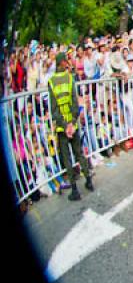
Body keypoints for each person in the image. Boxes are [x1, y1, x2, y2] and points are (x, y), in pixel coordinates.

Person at [48, 52, 93, 201]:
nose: (67, 63)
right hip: (72, 124)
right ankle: (89, 181)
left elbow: (53, 109)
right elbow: (75, 102)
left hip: (62, 127)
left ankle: (75, 190)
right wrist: (72, 123)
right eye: (65, 61)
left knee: (67, 158)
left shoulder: (51, 81)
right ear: (62, 63)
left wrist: (64, 125)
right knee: (79, 152)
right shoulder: (69, 78)